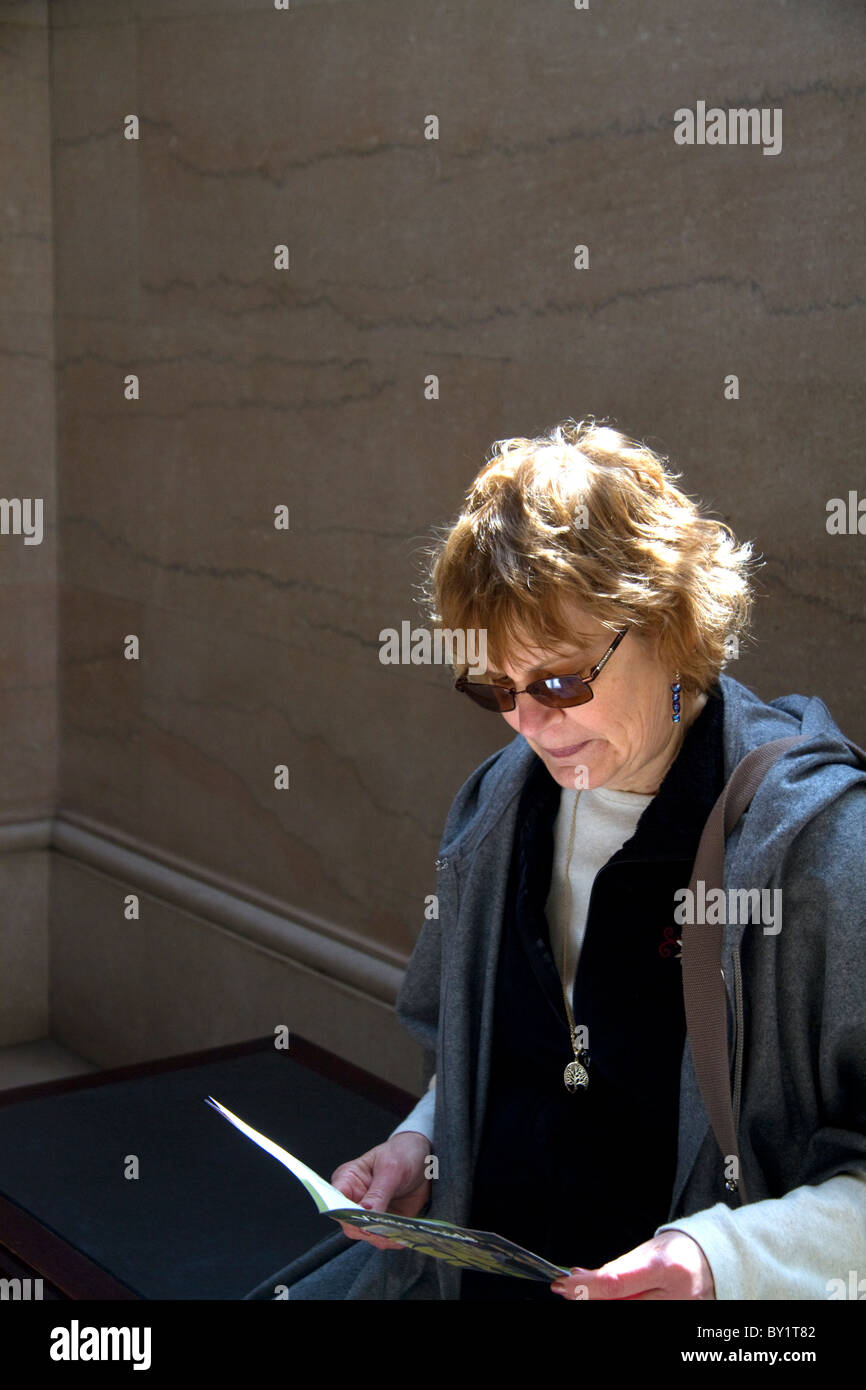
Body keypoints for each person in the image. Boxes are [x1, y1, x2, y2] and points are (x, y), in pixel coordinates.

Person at [244, 419, 866, 1301]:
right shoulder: (499, 805)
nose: (530, 725)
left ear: (671, 623)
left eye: (563, 680)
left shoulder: (822, 850)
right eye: (496, 688)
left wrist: (720, 1261)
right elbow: (492, 1056)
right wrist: (426, 1143)